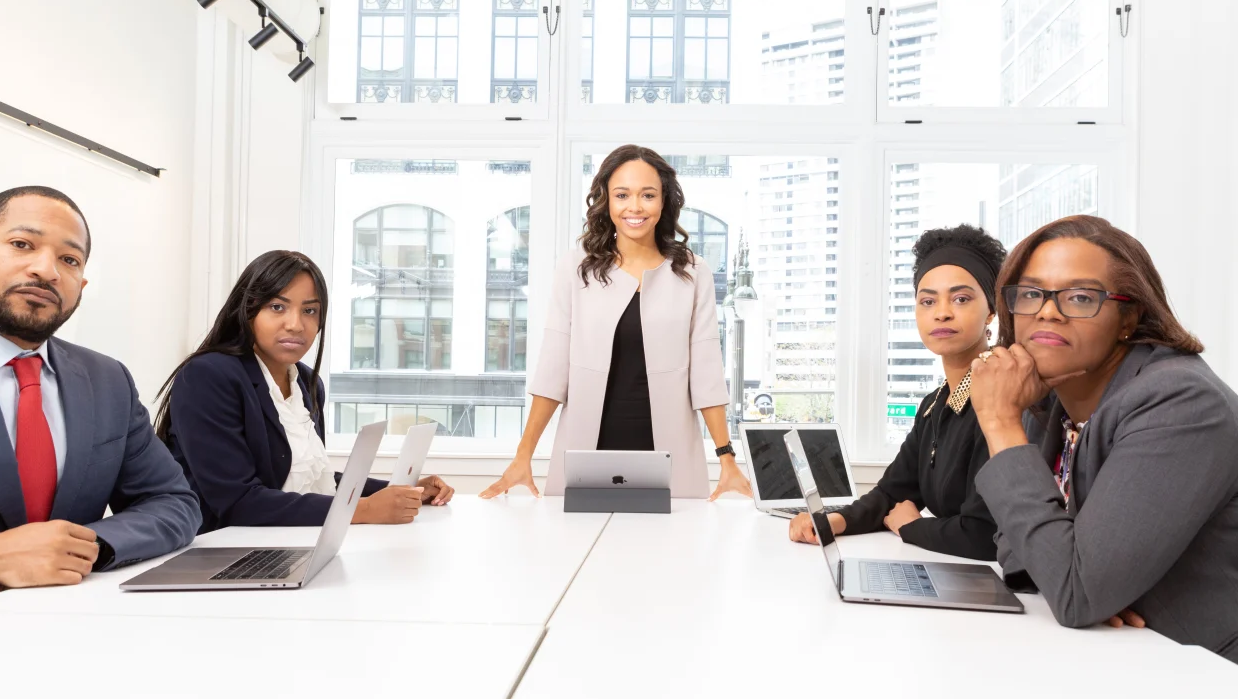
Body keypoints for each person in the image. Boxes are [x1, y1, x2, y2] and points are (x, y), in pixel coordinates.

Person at [969, 215, 1238, 662]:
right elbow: (1016, 553)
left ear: (1128, 316)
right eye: (1031, 293)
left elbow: (1074, 593)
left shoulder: (1181, 402)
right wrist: (1079, 576)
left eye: (1079, 297)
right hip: (1117, 656)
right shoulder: (1050, 399)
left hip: (1204, 668)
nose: (1047, 311)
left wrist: (1000, 422)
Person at [0, 187, 200, 603]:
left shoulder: (107, 380)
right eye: (22, 244)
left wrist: (85, 547)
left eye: (69, 260)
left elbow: (173, 502)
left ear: (82, 283)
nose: (46, 270)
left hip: (77, 626)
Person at [481, 145, 753, 500]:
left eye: (648, 195)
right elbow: (553, 369)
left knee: (675, 553)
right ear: (606, 201)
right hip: (588, 453)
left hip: (668, 455)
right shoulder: (576, 268)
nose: (635, 207)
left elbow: (706, 372)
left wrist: (727, 458)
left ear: (664, 201)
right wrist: (523, 456)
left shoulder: (692, 271)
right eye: (622, 195)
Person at [155, 251, 453, 534]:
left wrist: (400, 491)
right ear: (247, 312)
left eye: (309, 311)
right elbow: (238, 503)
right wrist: (362, 509)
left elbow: (307, 481)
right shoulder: (209, 376)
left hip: (283, 541)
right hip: (218, 551)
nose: (296, 324)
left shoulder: (307, 383)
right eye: (277, 307)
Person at [789, 225, 1008, 560]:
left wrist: (911, 527)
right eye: (927, 300)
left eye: (961, 298)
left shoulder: (1000, 398)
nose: (942, 311)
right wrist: (833, 521)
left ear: (992, 310)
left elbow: (985, 533)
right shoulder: (934, 405)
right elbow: (895, 492)